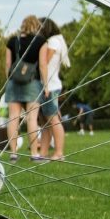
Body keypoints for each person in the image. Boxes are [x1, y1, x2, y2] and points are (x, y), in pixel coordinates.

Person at [3, 14, 46, 162]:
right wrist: (45, 85)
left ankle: (13, 153)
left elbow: (8, 65)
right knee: (32, 119)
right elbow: (42, 65)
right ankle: (34, 153)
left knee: (13, 118)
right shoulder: (41, 42)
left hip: (14, 82)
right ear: (36, 25)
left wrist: (10, 80)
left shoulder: (12, 41)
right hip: (32, 82)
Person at [37, 16, 70, 160]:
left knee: (53, 119)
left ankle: (59, 152)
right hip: (48, 85)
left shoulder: (53, 42)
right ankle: (43, 153)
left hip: (49, 86)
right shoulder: (55, 41)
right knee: (45, 122)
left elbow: (43, 62)